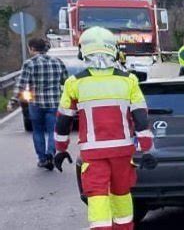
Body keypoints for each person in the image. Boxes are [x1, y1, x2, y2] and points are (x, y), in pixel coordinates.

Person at [54, 26, 154, 230]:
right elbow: (141, 119)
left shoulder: (74, 83)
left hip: (93, 153)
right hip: (123, 152)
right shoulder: (129, 81)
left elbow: (63, 121)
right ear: (114, 50)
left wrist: (60, 149)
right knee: (122, 195)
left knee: (98, 197)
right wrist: (146, 148)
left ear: (83, 52)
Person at [7, 38, 68, 170]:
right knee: (53, 131)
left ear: (32, 48)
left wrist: (13, 101)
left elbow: (21, 84)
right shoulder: (57, 62)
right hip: (54, 102)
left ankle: (42, 159)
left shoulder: (29, 63)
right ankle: (51, 154)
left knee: (38, 131)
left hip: (36, 104)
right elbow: (66, 81)